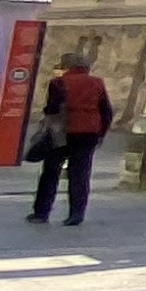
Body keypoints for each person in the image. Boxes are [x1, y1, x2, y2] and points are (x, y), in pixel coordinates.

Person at [25, 52, 112, 227]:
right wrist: (101, 133)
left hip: (62, 133)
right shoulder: (97, 83)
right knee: (80, 173)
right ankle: (76, 213)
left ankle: (42, 212)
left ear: (66, 66)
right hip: (88, 133)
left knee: (51, 172)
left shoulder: (58, 83)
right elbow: (106, 111)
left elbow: (52, 110)